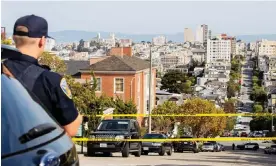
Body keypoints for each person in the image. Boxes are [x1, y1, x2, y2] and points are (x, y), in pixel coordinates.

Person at [2, 14, 82, 136]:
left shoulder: (3, 69)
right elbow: (71, 129)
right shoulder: (50, 81)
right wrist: (79, 118)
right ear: (42, 41)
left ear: (14, 38)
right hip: (31, 151)